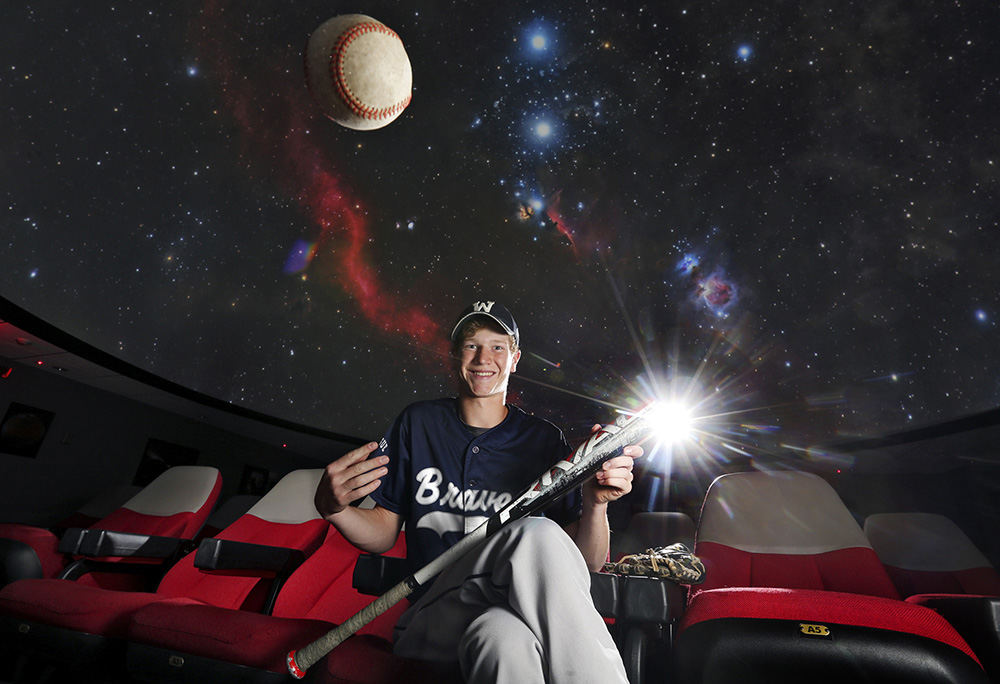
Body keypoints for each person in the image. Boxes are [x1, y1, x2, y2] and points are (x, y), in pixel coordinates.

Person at [315, 300, 642, 683]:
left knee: (505, 642)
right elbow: (384, 532)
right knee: (534, 533)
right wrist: (334, 508)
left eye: (498, 346)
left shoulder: (542, 439)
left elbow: (583, 566)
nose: (483, 357)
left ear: (515, 358)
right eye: (471, 345)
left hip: (508, 617)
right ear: (454, 355)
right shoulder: (419, 422)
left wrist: (594, 504)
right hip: (433, 618)